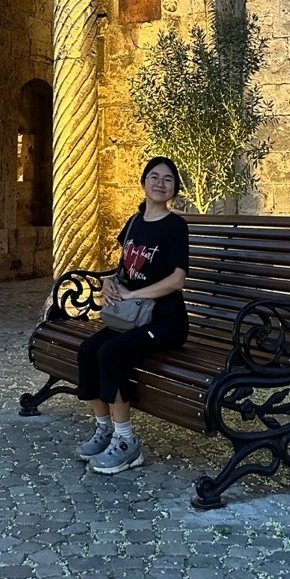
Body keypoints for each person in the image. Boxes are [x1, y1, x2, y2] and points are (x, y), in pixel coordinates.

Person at [76, 156, 190, 474]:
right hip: (133, 317)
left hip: (166, 321)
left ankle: (126, 442)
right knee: (88, 350)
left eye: (168, 179)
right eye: (154, 177)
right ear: (143, 182)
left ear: (174, 189)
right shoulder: (134, 222)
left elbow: (177, 280)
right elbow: (124, 269)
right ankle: (104, 429)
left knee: (112, 352)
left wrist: (131, 295)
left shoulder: (175, 226)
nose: (160, 183)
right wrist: (110, 283)